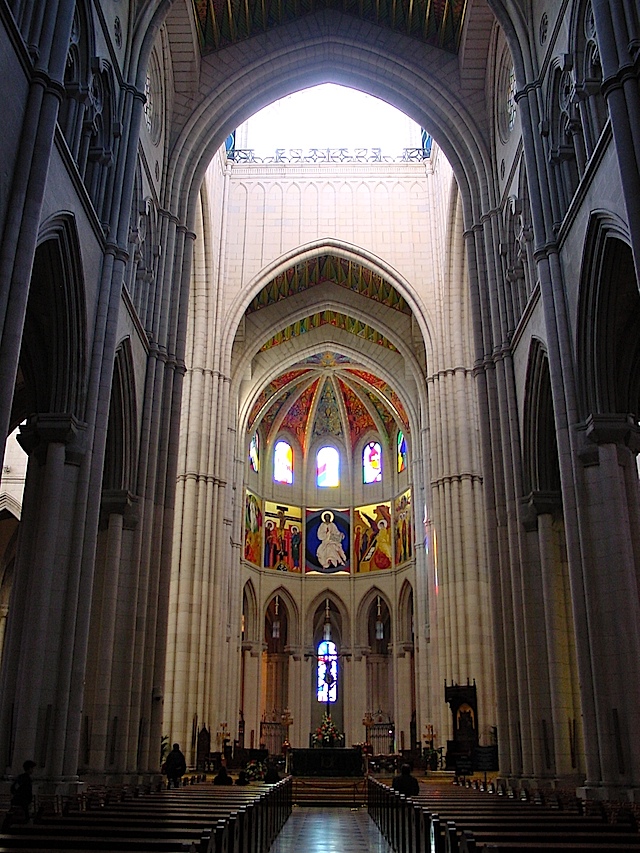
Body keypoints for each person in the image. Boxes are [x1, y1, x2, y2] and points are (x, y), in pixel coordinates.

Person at [2, 760, 36, 830]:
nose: (33, 770)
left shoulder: (22, 778)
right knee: (23, 819)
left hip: (20, 801)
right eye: (32, 768)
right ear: (29, 768)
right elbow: (22, 790)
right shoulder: (24, 778)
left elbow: (14, 788)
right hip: (22, 802)